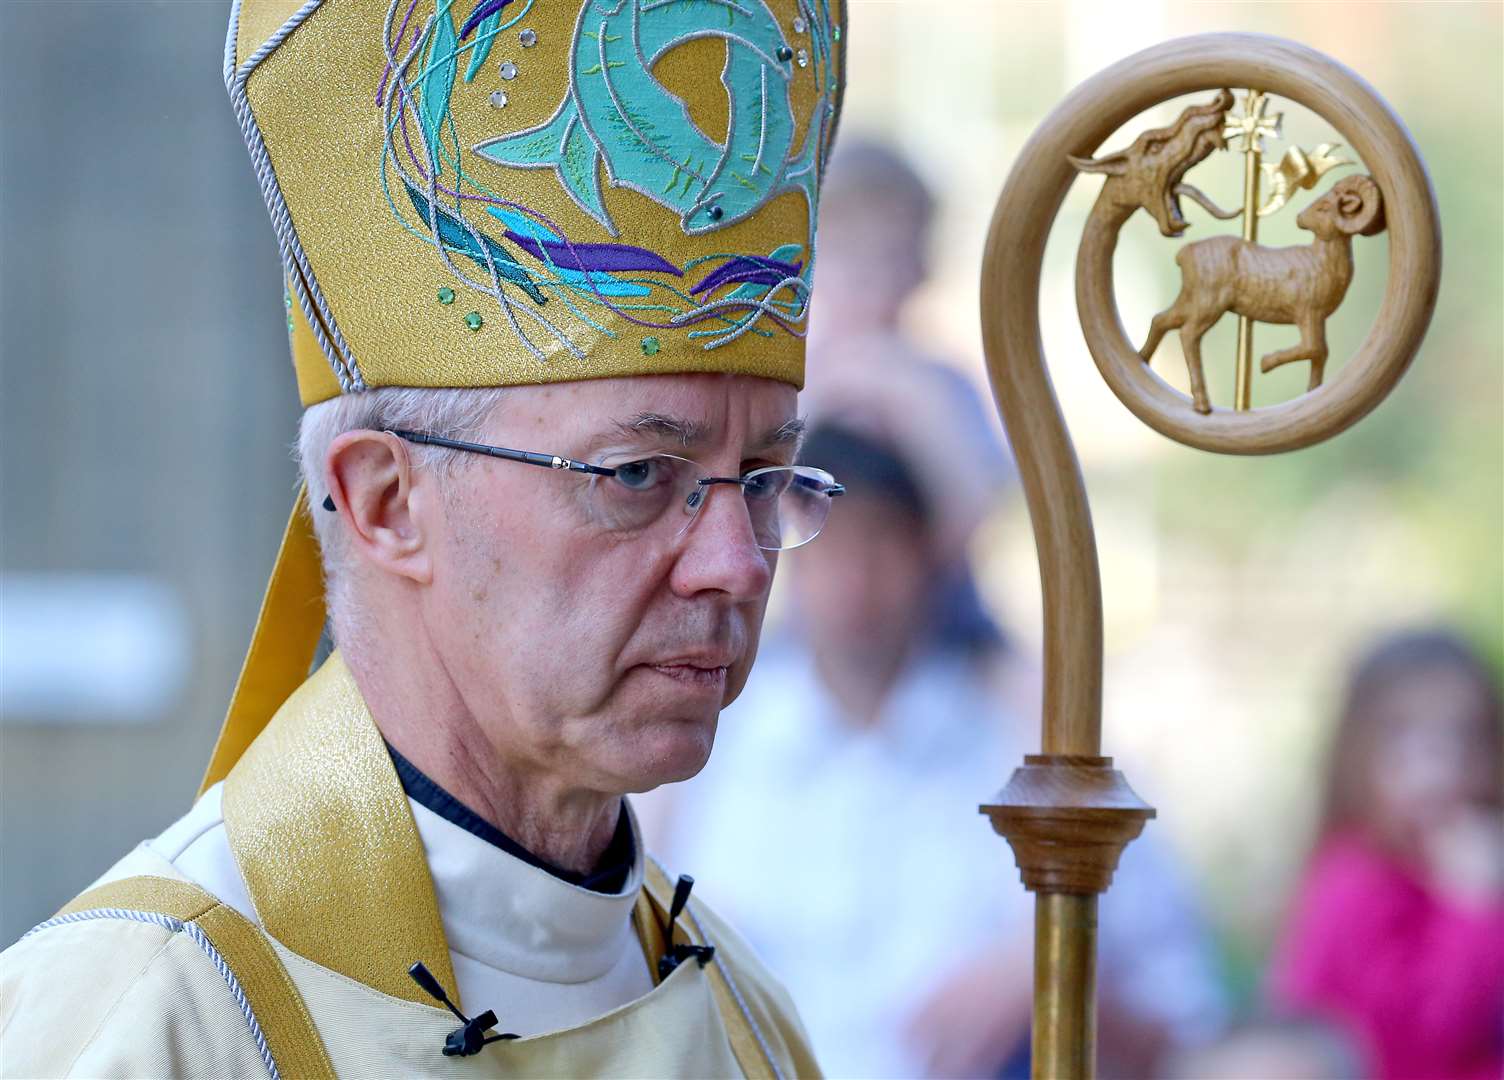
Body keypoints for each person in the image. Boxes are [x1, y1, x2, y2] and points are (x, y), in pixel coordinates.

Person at [0, 0, 848, 1075]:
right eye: (637, 474)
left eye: (765, 478)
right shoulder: (150, 1022)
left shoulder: (745, 1017)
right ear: (386, 502)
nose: (734, 562)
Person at [639, 416, 1229, 1078]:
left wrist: (1052, 969)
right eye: (827, 547)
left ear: (931, 558)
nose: (855, 581)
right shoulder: (705, 745)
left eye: (882, 543)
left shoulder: (1029, 745)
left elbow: (1180, 1014)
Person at [1270, 628, 1504, 1080]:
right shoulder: (1351, 884)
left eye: (1465, 737)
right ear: (1355, 756)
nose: (1438, 771)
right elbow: (1417, 1048)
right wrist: (1471, 908)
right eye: (1402, 736)